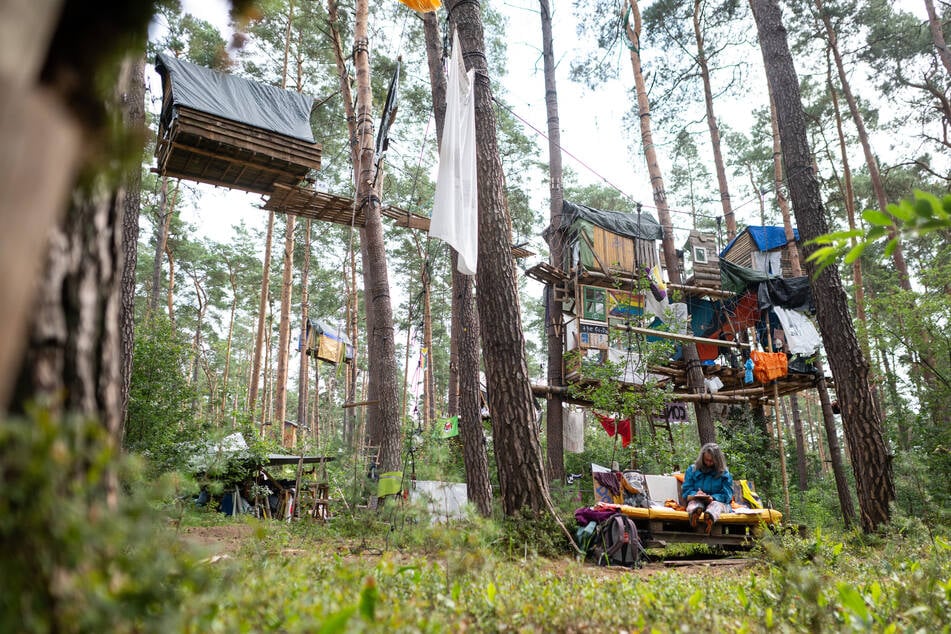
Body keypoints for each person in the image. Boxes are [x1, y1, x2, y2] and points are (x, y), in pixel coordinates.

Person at [682, 442, 734, 534]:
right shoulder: (692, 470)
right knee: (694, 504)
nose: (708, 463)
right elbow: (686, 490)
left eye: (712, 461)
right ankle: (694, 514)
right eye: (706, 460)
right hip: (697, 500)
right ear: (702, 457)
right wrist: (696, 494)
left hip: (718, 502)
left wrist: (713, 497)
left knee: (715, 506)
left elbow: (727, 495)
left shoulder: (724, 474)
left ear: (718, 460)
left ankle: (709, 517)